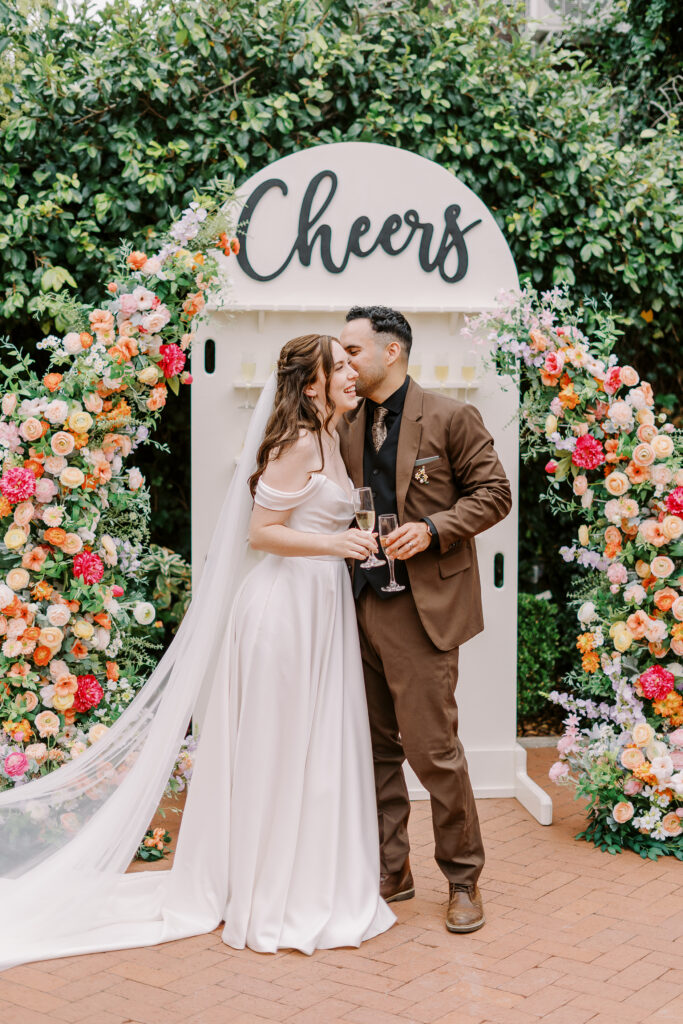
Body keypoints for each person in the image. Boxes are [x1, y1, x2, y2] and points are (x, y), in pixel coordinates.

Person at [0, 333, 395, 970]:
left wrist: (352, 539)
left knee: (314, 743)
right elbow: (261, 534)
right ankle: (269, 890)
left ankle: (305, 876)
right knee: (280, 745)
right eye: (342, 366)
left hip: (320, 610)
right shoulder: (296, 442)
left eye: (355, 364)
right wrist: (338, 546)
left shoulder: (335, 438)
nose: (354, 373)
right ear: (314, 383)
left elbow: (316, 521)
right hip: (283, 615)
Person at [338, 306, 512, 934]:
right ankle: (394, 872)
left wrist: (435, 529)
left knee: (433, 751)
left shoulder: (449, 416)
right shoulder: (345, 423)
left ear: (392, 352)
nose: (345, 361)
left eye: (354, 350)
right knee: (377, 749)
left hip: (422, 610)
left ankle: (463, 880)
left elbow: (495, 492)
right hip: (356, 604)